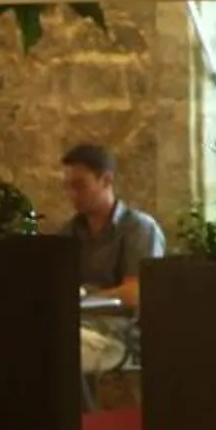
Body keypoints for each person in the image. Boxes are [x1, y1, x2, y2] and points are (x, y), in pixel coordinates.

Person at [58, 142, 165, 383]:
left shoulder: (139, 229)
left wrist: (84, 296)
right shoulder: (68, 233)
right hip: (79, 326)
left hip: (121, 334)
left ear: (105, 180)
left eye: (79, 186)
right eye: (67, 187)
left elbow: (135, 293)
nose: (71, 195)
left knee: (57, 348)